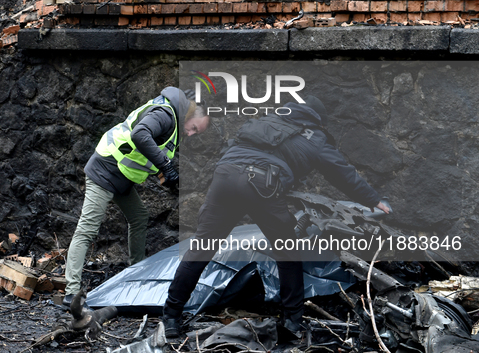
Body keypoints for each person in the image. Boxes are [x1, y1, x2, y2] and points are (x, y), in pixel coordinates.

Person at [162, 95, 390, 337]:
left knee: (201, 248)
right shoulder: (315, 137)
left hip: (225, 176)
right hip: (262, 183)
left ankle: (171, 318)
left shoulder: (268, 121)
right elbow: (342, 174)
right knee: (287, 250)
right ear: (317, 120)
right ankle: (292, 322)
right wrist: (373, 200)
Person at [63, 87, 210, 308]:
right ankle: (70, 293)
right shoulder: (165, 114)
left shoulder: (174, 123)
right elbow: (140, 134)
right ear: (190, 116)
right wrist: (165, 166)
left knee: (139, 216)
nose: (191, 134)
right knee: (88, 229)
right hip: (104, 170)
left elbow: (149, 153)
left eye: (195, 133)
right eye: (193, 129)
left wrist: (166, 176)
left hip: (120, 177)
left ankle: (136, 274)